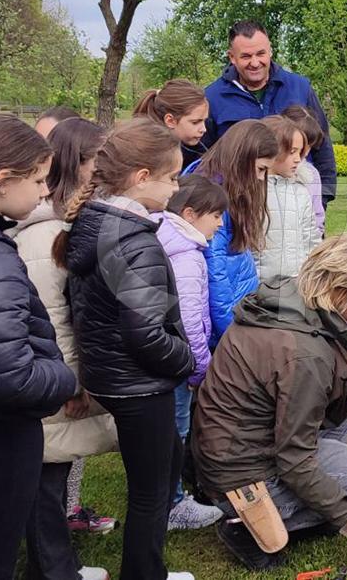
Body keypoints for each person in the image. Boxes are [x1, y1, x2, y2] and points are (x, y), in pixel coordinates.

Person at [192, 235, 347, 571]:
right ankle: (254, 525)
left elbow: (333, 362)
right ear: (334, 290)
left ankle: (310, 489)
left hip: (223, 453)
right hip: (244, 478)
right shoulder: (305, 356)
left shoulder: (288, 298)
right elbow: (294, 462)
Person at [53, 118, 196, 579]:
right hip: (139, 384)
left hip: (113, 375)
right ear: (140, 177)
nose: (175, 189)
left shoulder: (95, 223)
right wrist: (186, 359)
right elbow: (145, 334)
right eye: (171, 178)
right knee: (151, 495)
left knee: (168, 461)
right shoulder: (135, 242)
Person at [11, 117, 116, 580]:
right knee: (45, 481)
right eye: (100, 161)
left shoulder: (63, 224)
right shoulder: (44, 234)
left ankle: (57, 565)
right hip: (52, 377)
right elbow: (52, 321)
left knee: (51, 475)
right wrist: (73, 382)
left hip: (55, 374)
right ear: (78, 164)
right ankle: (53, 570)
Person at [0, 114, 76, 580]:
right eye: (40, 180)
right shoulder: (0, 260)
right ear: (3, 181)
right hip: (6, 436)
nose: (46, 192)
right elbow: (12, 373)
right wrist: (63, 378)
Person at [152, 175, 228, 532]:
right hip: (180, 363)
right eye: (215, 215)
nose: (220, 223)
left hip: (167, 360)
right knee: (177, 431)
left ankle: (167, 499)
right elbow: (189, 321)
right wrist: (200, 369)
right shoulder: (184, 254)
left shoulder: (170, 241)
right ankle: (173, 504)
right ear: (190, 213)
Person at [201, 20, 336, 209]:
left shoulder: (300, 87)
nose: (255, 63)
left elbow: (322, 145)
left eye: (260, 54)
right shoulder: (212, 98)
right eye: (246, 56)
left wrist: (323, 197)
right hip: (240, 208)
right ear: (232, 57)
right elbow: (201, 158)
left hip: (300, 203)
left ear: (270, 50)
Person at [186, 119, 279, 344]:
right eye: (260, 169)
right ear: (243, 158)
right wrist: (234, 340)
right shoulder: (214, 201)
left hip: (236, 312)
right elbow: (215, 273)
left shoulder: (215, 182)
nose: (260, 178)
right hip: (227, 327)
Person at [257, 115, 320, 280]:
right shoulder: (251, 193)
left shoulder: (301, 193)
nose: (298, 159)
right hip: (259, 289)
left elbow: (312, 239)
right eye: (292, 152)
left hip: (297, 284)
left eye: (300, 152)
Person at [133, 79, 210, 158]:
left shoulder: (196, 150)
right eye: (195, 122)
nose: (204, 129)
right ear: (170, 121)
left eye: (204, 121)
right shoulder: (152, 159)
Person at [281, 104, 326, 235]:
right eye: (299, 147)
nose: (305, 152)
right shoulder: (263, 172)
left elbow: (318, 216)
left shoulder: (312, 174)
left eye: (309, 146)